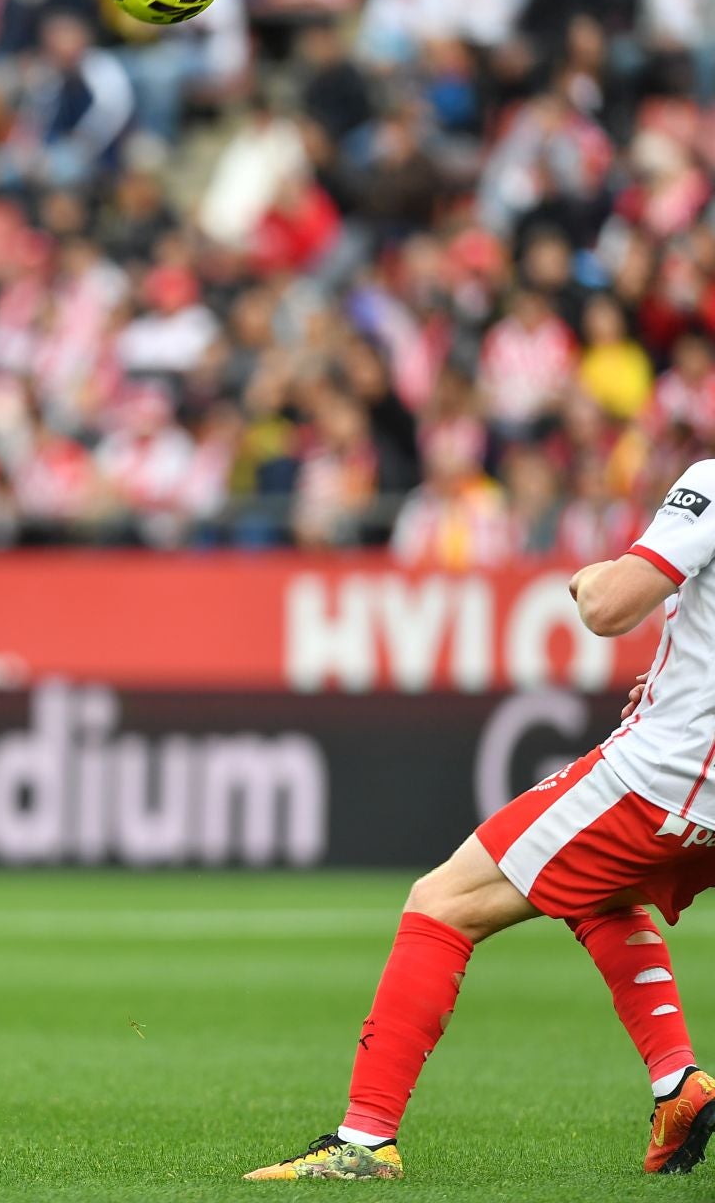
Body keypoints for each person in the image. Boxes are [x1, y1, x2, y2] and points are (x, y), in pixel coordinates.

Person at [246, 458, 715, 1180]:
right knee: (594, 890)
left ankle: (364, 1142)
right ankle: (677, 1085)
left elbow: (610, 608)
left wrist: (589, 576)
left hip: (667, 775)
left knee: (442, 901)